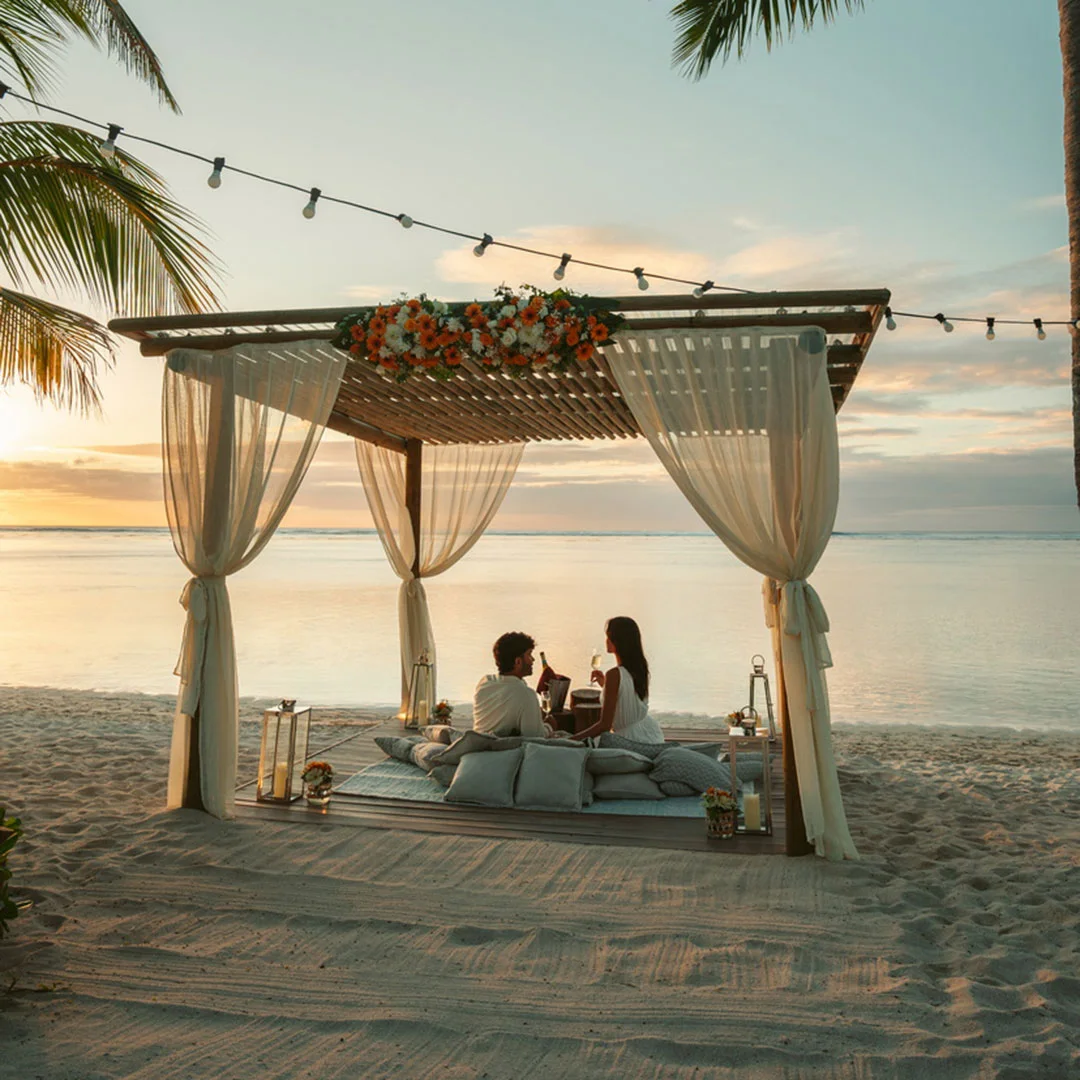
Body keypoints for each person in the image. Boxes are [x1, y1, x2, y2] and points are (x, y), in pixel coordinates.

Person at [574, 616, 665, 744]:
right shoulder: (640, 668)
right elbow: (630, 699)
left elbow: (604, 725)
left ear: (619, 641)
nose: (606, 641)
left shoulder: (614, 675)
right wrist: (605, 685)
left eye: (609, 637)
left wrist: (572, 740)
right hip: (648, 734)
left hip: (626, 742)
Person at [472, 631, 548, 738]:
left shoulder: (485, 682)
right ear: (518, 662)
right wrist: (549, 726)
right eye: (529, 654)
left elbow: (506, 711)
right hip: (502, 751)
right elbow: (535, 738)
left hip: (478, 745)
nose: (533, 659)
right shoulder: (526, 694)